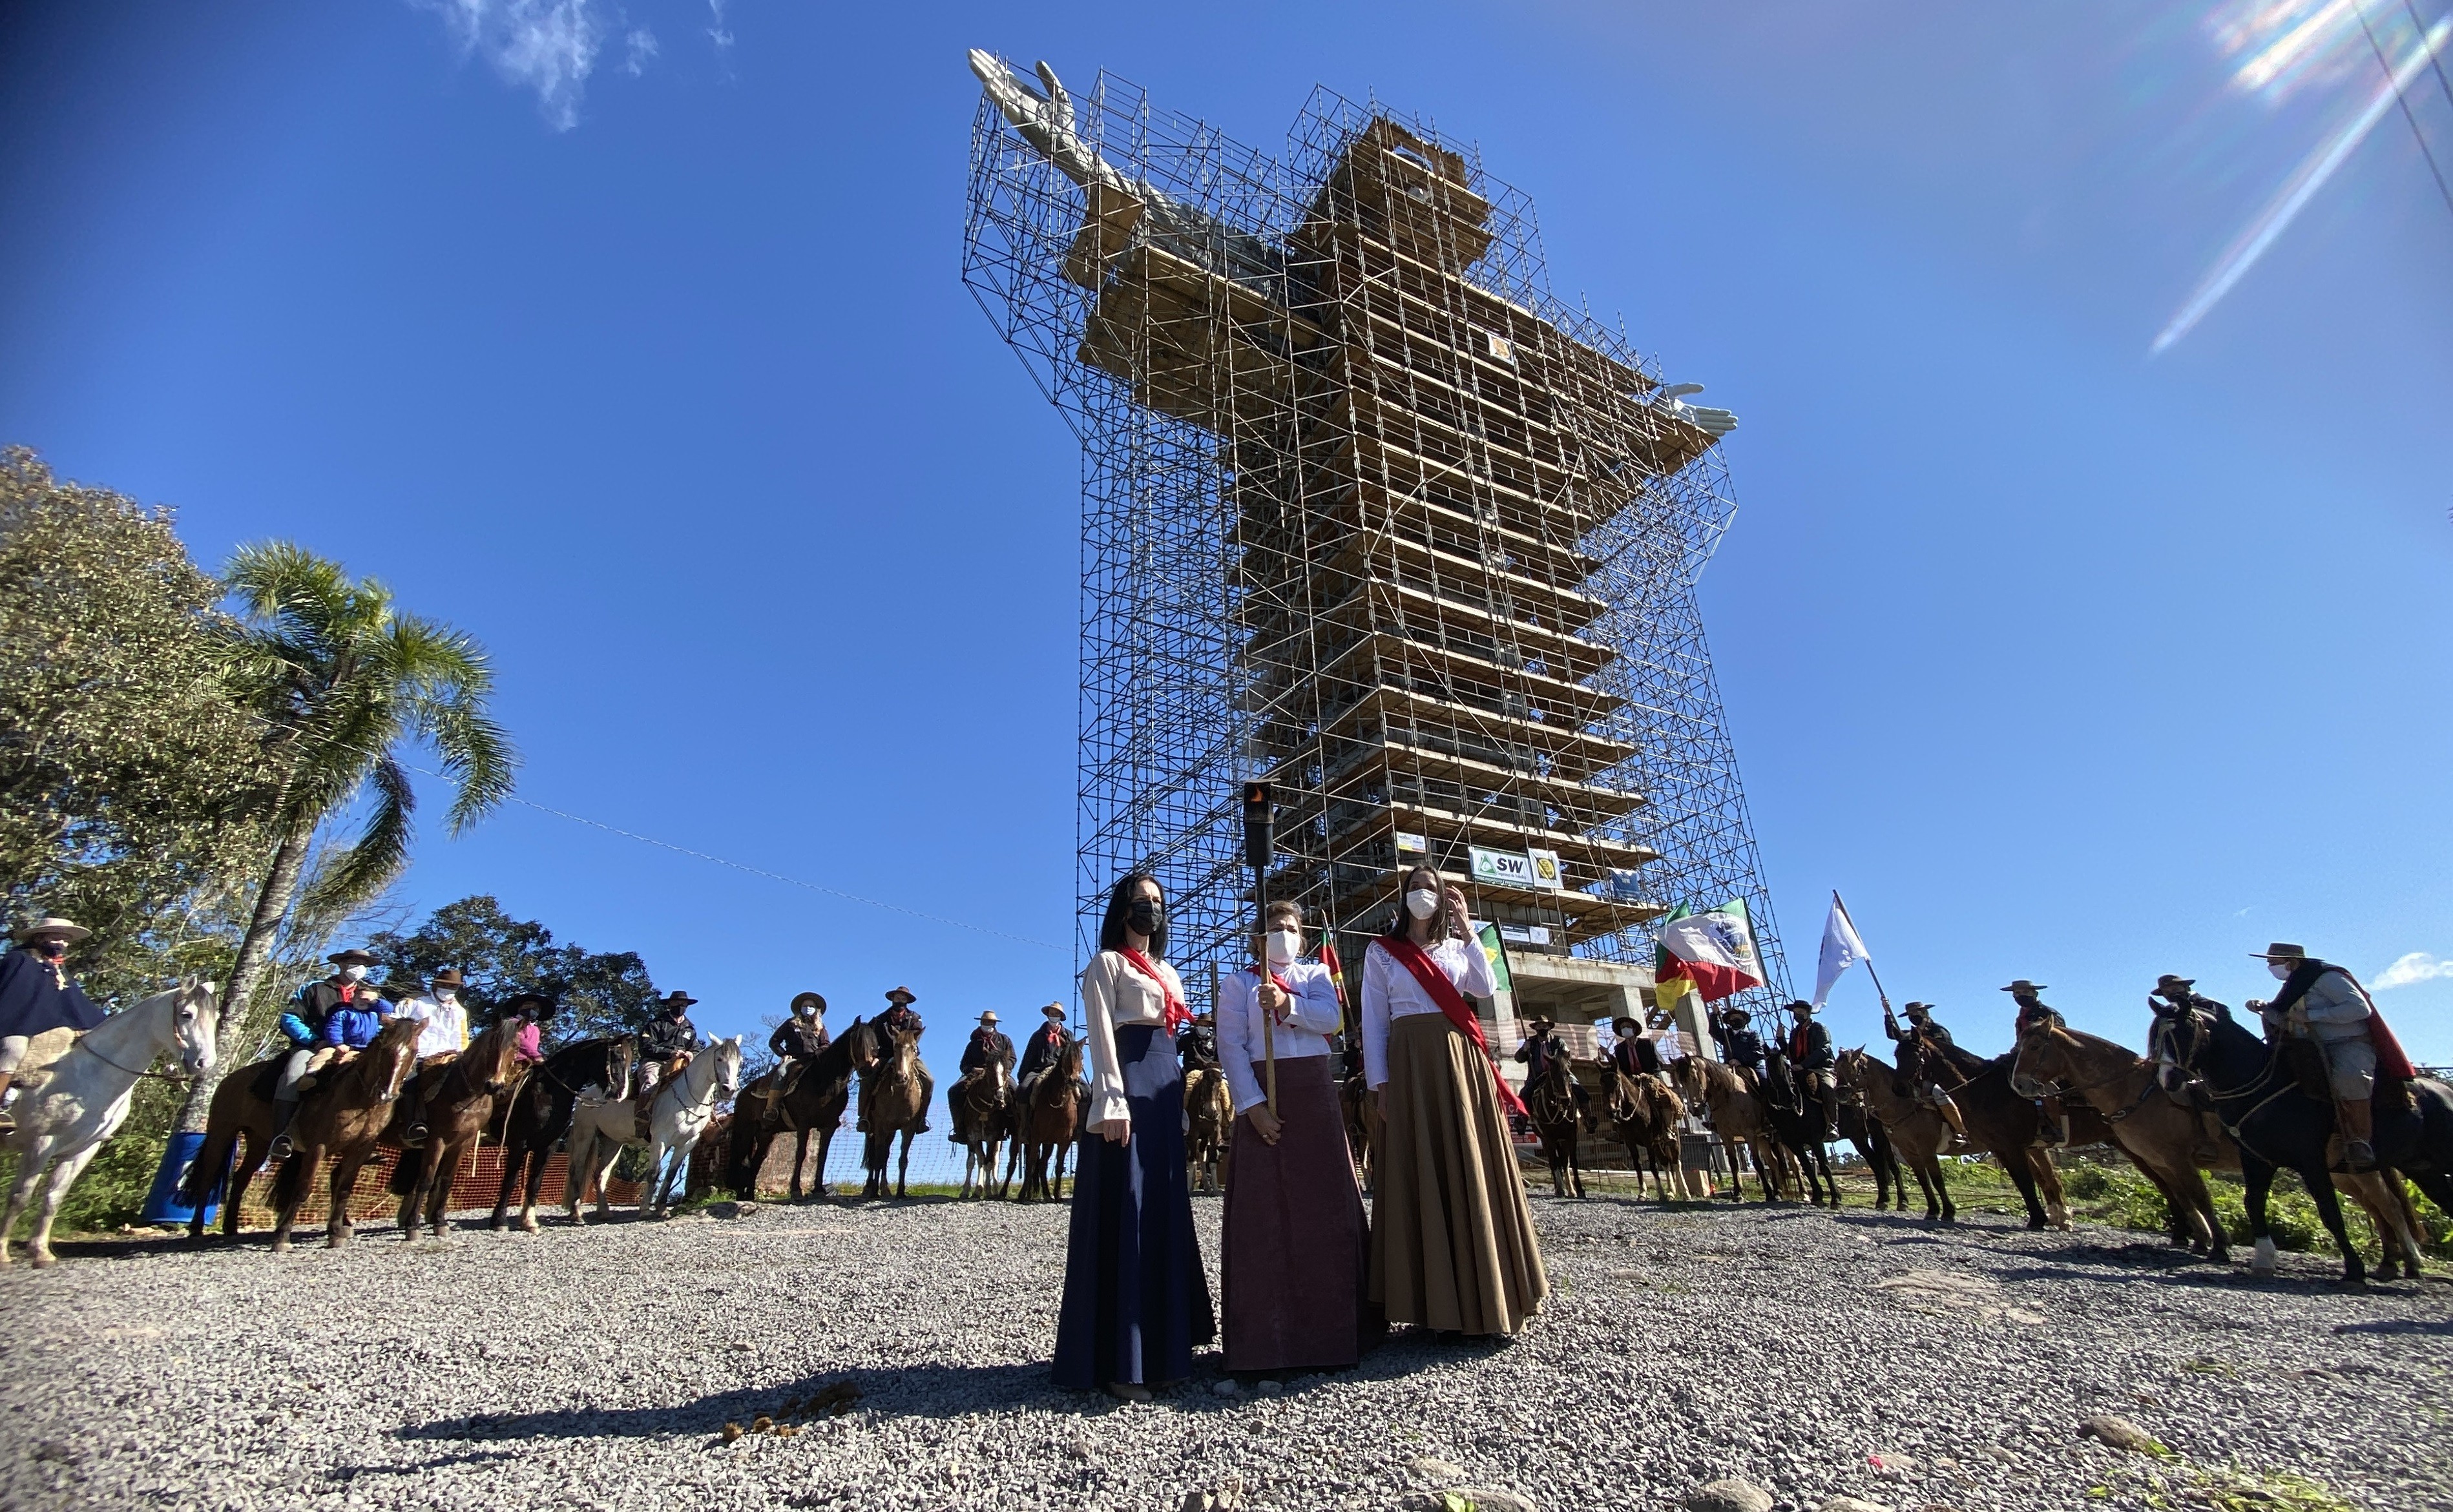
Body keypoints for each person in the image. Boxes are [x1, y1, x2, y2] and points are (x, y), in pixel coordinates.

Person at [1362, 865, 1547, 1339]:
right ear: (1402, 897)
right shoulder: (1381, 953)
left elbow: (1485, 989)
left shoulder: (1455, 947)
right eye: (1414, 888)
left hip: (1459, 1059)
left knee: (1471, 1162)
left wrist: (1468, 931)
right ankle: (1431, 1300)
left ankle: (1489, 1291)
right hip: (1408, 1062)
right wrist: (1380, 1084)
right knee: (1421, 1167)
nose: (1422, 895)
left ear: (1444, 898)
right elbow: (1374, 1022)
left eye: (1431, 889)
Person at [1053, 872, 1215, 1400]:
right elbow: (1101, 1033)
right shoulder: (1107, 964)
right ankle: (1123, 1362)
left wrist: (1183, 1106)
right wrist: (1111, 1098)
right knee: (1130, 1211)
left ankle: (1166, 1351)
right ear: (1123, 907)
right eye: (1143, 900)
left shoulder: (1170, 971)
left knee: (1164, 1213)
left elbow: (1174, 1039)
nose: (1152, 908)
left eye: (1159, 902)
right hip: (1127, 1084)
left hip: (1166, 1093)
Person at [1215, 897, 1377, 1373]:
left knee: (1325, 1207)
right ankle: (1265, 1338)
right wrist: (1252, 1107)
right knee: (1263, 1212)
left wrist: (1287, 1004)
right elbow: (1231, 1046)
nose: (1283, 932)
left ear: (1302, 937)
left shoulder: (1314, 977)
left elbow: (1332, 1020)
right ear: (1257, 936)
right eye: (1273, 925)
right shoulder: (1237, 984)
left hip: (1312, 1093)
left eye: (1290, 926)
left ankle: (1341, 1330)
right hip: (1263, 1094)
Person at [2251, 942, 2413, 1172]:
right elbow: (2289, 1019)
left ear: (2293, 962)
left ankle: (2360, 1140)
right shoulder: (2294, 985)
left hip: (2349, 1044)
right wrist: (2266, 1009)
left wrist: (2313, 1016)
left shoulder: (2327, 978)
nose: (2270, 966)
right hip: (2310, 1048)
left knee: (2350, 1077)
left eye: (2273, 962)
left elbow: (2359, 1009)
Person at [266, 948, 379, 1159]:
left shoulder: (370, 996)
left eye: (363, 964)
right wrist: (315, 1041)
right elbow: (290, 1018)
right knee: (293, 1075)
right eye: (354, 962)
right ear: (342, 964)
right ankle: (282, 1137)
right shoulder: (315, 989)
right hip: (313, 1048)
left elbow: (379, 1025)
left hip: (357, 1052)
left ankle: (366, 1142)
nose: (358, 968)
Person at [0, 917, 106, 1132]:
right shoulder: (18, 960)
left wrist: (95, 1024)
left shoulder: (58, 968)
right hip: (14, 1022)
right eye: (57, 937)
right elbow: (9, 995)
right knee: (14, 1049)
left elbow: (73, 1001)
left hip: (50, 1025)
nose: (62, 944)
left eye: (66, 940)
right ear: (40, 938)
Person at [1883, 1000, 1968, 1143]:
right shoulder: (1912, 1034)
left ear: (1924, 1013)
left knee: (1939, 1093)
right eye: (1910, 1015)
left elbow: (1948, 1053)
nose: (1912, 1017)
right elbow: (1893, 1034)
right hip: (1923, 1076)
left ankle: (1960, 1131)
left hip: (1942, 1075)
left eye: (1915, 1014)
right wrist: (1887, 1013)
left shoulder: (1937, 1031)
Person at [859, 987, 934, 1133]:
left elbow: (914, 1038)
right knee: (867, 1079)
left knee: (929, 1080)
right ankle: (863, 1116)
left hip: (908, 1056)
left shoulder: (915, 1018)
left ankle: (921, 1118)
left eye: (903, 999)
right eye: (897, 998)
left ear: (907, 1001)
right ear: (892, 999)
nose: (900, 1001)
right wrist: (874, 1058)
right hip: (885, 1055)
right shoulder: (881, 1019)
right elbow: (874, 1041)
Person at [2007, 979, 2071, 1144]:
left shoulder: (2047, 1013)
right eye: (2017, 993)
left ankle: (2056, 1128)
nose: (2020, 996)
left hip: (2050, 1060)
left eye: (2024, 992)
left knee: (2045, 1087)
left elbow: (2060, 1037)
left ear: (2034, 993)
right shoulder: (2021, 1017)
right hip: (2027, 1058)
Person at [1512, 1014, 1589, 1121]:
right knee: (1525, 1093)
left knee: (1578, 1088)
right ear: (1535, 1028)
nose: (1542, 1029)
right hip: (1537, 1076)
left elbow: (1568, 1060)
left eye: (1544, 1026)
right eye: (1539, 1026)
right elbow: (1519, 1059)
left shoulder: (1559, 1042)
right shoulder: (1531, 1043)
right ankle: (1522, 1120)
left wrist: (1560, 1067)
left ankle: (1588, 1116)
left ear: (1549, 1027)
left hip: (1559, 1074)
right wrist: (1524, 1050)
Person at [1784, 1000, 1839, 1139]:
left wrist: (1804, 1065)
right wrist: (1780, 1039)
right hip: (1799, 1069)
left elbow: (1824, 1049)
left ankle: (1833, 1124)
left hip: (1822, 1068)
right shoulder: (1794, 1033)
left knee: (1827, 1087)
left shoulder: (1819, 1028)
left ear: (1807, 1013)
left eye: (1800, 1012)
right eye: (1795, 1013)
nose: (1797, 1015)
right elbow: (1789, 1052)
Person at [636, 991, 698, 1097]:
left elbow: (696, 1049)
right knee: (650, 1081)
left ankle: (711, 1111)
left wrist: (691, 1055)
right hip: (655, 1062)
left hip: (682, 1064)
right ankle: (644, 1110)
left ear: (687, 1006)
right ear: (669, 1005)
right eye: (676, 1003)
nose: (680, 1006)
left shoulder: (690, 1029)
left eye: (683, 1004)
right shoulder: (655, 1024)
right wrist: (670, 1053)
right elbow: (646, 1047)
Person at [770, 992, 830, 1093]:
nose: (808, 1008)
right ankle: (772, 1106)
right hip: (794, 1059)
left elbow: (826, 1044)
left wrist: (818, 1054)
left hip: (814, 1060)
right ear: (800, 1008)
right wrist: (784, 1054)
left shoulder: (821, 1027)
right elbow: (774, 1041)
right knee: (781, 1073)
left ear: (816, 1009)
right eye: (805, 1006)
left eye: (811, 1006)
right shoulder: (790, 1024)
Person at [1016, 1002, 1069, 1097]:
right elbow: (1028, 1058)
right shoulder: (1037, 1036)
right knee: (1022, 1090)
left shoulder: (1068, 1036)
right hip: (1038, 1071)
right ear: (1048, 1015)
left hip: (1062, 1072)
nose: (1054, 1016)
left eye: (1057, 1014)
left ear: (1061, 1016)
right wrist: (1021, 1078)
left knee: (1086, 1091)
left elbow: (1073, 1057)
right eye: (1052, 1014)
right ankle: (1023, 1112)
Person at [1711, 1006, 1766, 1088]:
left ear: (1744, 1020)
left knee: (1764, 1081)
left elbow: (1758, 1051)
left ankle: (1771, 1101)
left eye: (1738, 1017)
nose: (1736, 1019)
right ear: (1729, 1021)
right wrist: (1715, 1015)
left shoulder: (1753, 1034)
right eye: (1733, 1017)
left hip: (1752, 1066)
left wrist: (1740, 1060)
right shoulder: (1726, 1034)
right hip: (1729, 1066)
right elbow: (1714, 1030)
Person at [1176, 1009, 1220, 1073]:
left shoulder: (1215, 1041)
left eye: (1205, 1026)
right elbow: (1175, 1052)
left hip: (1209, 1073)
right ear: (1197, 1025)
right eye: (1201, 1025)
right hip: (1190, 1072)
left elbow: (1218, 1060)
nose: (1203, 1027)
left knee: (1223, 1083)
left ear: (1209, 1027)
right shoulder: (1187, 1038)